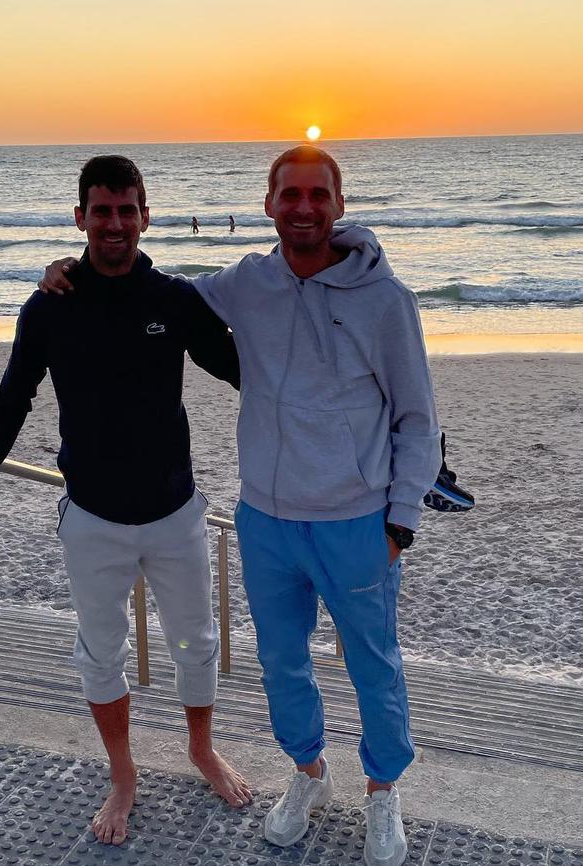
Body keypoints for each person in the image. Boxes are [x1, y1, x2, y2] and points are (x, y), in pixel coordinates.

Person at [39, 147, 473, 865]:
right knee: (281, 664)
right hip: (266, 520)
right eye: (290, 195)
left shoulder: (385, 299)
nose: (303, 208)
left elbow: (417, 419)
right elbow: (153, 291)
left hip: (357, 520)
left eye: (317, 195)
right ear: (268, 204)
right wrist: (69, 270)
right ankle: (308, 775)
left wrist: (401, 520)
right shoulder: (248, 282)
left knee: (373, 664)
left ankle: (382, 791)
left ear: (338, 203)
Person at [0, 155, 251, 849]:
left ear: (147, 216)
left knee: (196, 643)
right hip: (91, 519)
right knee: (100, 653)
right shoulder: (51, 304)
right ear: (80, 216)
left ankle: (201, 748)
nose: (114, 224)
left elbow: (250, 373)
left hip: (176, 514)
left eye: (127, 210)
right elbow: (10, 401)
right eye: (101, 210)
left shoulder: (173, 299)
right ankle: (123, 772)